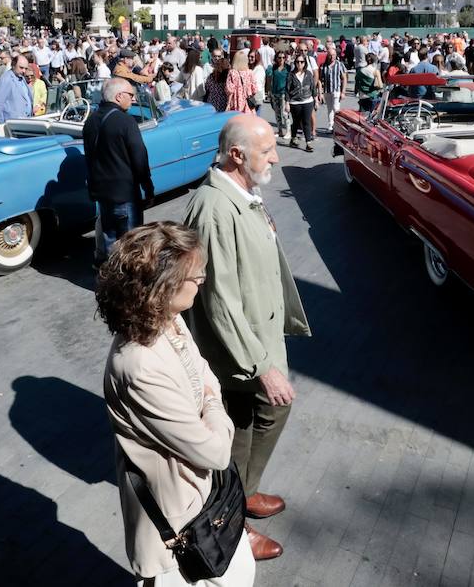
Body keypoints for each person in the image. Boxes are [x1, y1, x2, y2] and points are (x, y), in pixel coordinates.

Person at [98, 222, 255, 586]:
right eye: (195, 275)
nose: (202, 281)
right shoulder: (139, 366)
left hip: (200, 498)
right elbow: (215, 452)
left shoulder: (168, 320)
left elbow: (203, 372)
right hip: (175, 524)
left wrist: (208, 400)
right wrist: (214, 406)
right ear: (162, 286)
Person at [184, 115, 310, 563]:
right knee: (237, 437)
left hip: (258, 338)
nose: (276, 156)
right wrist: (260, 365)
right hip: (238, 353)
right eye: (267, 150)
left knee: (268, 414)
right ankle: (230, 525)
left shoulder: (242, 192)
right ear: (237, 155)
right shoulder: (214, 207)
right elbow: (220, 299)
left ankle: (246, 492)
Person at [85, 77, 155, 262]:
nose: (133, 99)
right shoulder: (126, 121)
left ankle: (111, 282)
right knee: (131, 247)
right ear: (118, 96)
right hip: (125, 195)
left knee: (110, 244)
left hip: (102, 195)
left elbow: (90, 158)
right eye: (130, 95)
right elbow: (140, 158)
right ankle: (129, 286)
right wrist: (148, 188)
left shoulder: (91, 121)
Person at [285, 54, 317, 152]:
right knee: (296, 122)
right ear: (295, 63)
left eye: (302, 62)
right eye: (298, 62)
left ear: (305, 63)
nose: (299, 64)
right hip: (295, 102)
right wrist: (287, 103)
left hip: (308, 101)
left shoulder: (308, 74)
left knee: (306, 122)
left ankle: (308, 143)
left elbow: (312, 87)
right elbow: (287, 90)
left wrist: (316, 99)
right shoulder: (291, 75)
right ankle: (293, 138)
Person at [0, 54, 34, 123]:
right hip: (12, 123)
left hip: (25, 121)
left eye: (25, 68)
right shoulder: (6, 79)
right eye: (21, 67)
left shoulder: (21, 78)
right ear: (13, 65)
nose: (24, 71)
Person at [319, 43, 346, 134]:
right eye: (330, 55)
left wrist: (343, 91)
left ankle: (338, 126)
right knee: (329, 109)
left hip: (336, 89)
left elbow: (344, 78)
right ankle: (330, 126)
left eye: (334, 55)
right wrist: (320, 92)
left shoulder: (339, 65)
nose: (332, 57)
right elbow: (320, 79)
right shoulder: (323, 66)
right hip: (327, 90)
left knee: (336, 108)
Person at [265, 52, 291, 138]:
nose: (281, 59)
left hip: (283, 93)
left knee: (284, 113)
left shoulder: (288, 68)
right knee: (277, 113)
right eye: (279, 57)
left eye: (283, 57)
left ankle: (288, 131)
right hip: (274, 93)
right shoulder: (273, 68)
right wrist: (268, 91)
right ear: (276, 58)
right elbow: (268, 77)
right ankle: (280, 131)